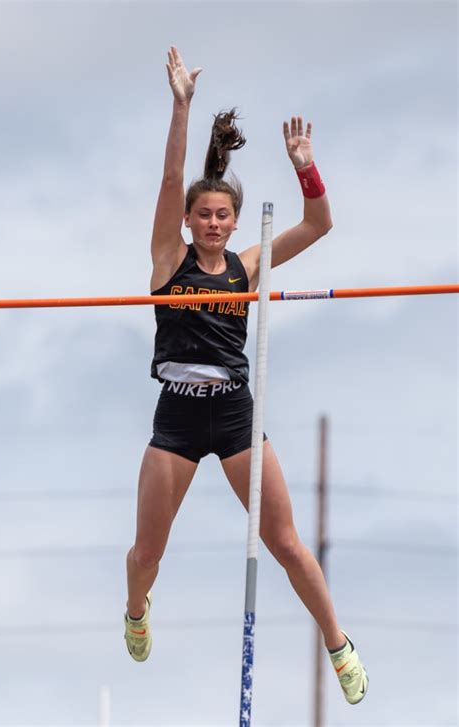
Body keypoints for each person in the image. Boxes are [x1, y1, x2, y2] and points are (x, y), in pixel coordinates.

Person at [124, 46, 368, 706]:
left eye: (221, 215)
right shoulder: (166, 258)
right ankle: (137, 610)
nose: (211, 222)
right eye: (202, 213)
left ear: (232, 221)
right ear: (188, 220)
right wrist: (182, 107)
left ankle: (339, 642)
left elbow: (320, 224)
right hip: (176, 414)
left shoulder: (249, 263)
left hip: (235, 414)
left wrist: (307, 169)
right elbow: (172, 179)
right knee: (146, 553)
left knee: (287, 542)